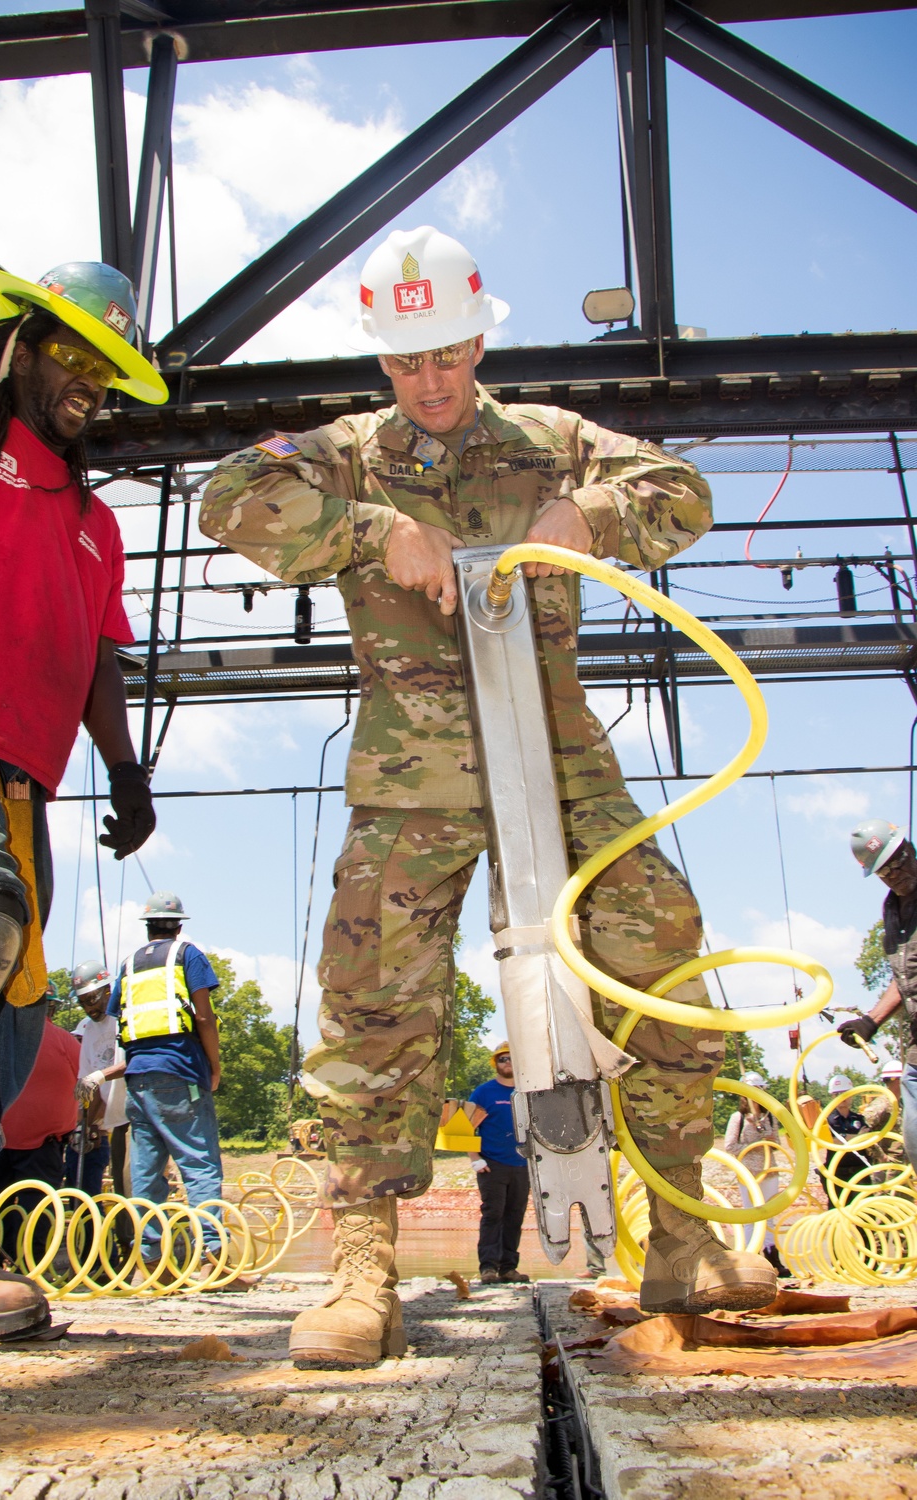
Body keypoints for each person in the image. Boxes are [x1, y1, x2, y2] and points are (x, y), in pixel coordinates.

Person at [199, 223, 776, 1367]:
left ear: (477, 335)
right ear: (381, 359)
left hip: (558, 753)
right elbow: (230, 499)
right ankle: (364, 1271)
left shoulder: (553, 441)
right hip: (412, 768)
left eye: (446, 354)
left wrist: (589, 517)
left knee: (658, 942)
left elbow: (681, 488)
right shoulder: (347, 454)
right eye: (406, 362)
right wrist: (372, 530)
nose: (429, 379)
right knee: (374, 996)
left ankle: (681, 1238)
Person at [0, 259, 164, 1342]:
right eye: (72, 354)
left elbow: (101, 655)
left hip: (30, 768)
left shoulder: (95, 521)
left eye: (107, 372)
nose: (89, 385)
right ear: (19, 346)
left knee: (14, 997)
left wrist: (126, 767)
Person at [105, 891, 224, 1267]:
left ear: (148, 925)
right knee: (200, 1164)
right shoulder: (186, 955)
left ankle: (152, 1260)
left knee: (146, 1172)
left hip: (137, 1080)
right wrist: (214, 1066)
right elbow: (203, 1017)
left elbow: (118, 1021)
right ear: (178, 925)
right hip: (179, 1073)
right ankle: (213, 1255)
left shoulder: (127, 965)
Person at [840, 819, 917, 1170]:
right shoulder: (893, 909)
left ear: (910, 848)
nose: (898, 872)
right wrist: (871, 1021)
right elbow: (905, 975)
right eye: (887, 870)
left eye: (901, 860)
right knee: (915, 1145)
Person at [0, 982, 80, 1264]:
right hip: (42, 1144)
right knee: (37, 1206)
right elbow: (88, 1082)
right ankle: (29, 1263)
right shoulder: (64, 1041)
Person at [467, 1041, 530, 1286]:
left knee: (515, 1216)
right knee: (493, 1214)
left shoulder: (528, 1091)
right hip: (491, 1164)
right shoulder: (484, 1092)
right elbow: (465, 1127)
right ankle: (488, 1268)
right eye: (502, 1059)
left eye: (511, 1058)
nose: (507, 1063)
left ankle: (508, 1268)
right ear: (496, 1063)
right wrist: (475, 1159)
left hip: (522, 1165)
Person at [65, 960, 128, 1197]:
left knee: (132, 1186)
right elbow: (94, 1090)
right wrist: (86, 1125)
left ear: (107, 990)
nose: (88, 1008)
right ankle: (123, 1235)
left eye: (92, 999)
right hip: (114, 1121)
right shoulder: (89, 1031)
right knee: (121, 1190)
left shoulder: (123, 1017)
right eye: (82, 1002)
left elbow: (135, 1061)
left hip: (135, 1115)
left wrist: (100, 1076)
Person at [722, 1072, 787, 1275]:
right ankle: (751, 1258)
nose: (756, 1094)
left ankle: (772, 1258)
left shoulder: (770, 1117)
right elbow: (730, 1146)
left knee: (769, 1217)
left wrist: (769, 1140)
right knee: (751, 1216)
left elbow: (776, 1142)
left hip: (770, 1172)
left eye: (759, 1090)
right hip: (748, 1175)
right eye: (752, 1090)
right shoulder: (738, 1118)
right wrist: (754, 1145)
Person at [822, 1073, 873, 1207]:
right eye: (837, 1094)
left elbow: (867, 1140)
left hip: (860, 1172)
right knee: (837, 1215)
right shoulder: (825, 1121)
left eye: (845, 1093)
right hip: (837, 1173)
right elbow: (830, 1142)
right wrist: (856, 1138)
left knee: (864, 1215)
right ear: (832, 1096)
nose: (842, 1098)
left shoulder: (859, 1119)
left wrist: (847, 1139)